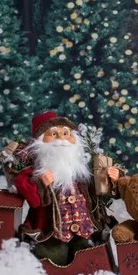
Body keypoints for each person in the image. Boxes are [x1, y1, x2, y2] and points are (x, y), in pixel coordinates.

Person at [11, 111, 120, 265]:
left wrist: (113, 178)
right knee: (51, 258)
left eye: (65, 133)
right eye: (53, 134)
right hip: (51, 231)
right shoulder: (37, 168)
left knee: (91, 257)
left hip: (85, 229)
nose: (61, 139)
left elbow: (102, 189)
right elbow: (26, 189)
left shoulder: (84, 167)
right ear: (40, 141)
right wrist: (40, 182)